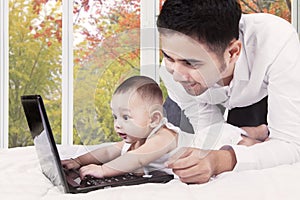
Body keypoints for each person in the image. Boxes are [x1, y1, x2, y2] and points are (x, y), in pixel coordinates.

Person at [157, 0, 300, 184]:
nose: (177, 75)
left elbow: (291, 145)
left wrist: (220, 160)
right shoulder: (173, 72)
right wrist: (241, 140)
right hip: (208, 102)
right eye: (168, 57)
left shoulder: (276, 41)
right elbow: (209, 134)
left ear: (233, 52)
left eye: (191, 63)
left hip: (260, 95)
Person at [62, 75, 194, 179]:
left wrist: (104, 170)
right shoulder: (136, 138)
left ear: (154, 119)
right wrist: (78, 161)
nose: (117, 124)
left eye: (126, 117)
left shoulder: (164, 137)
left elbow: (138, 158)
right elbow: (107, 152)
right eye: (115, 116)